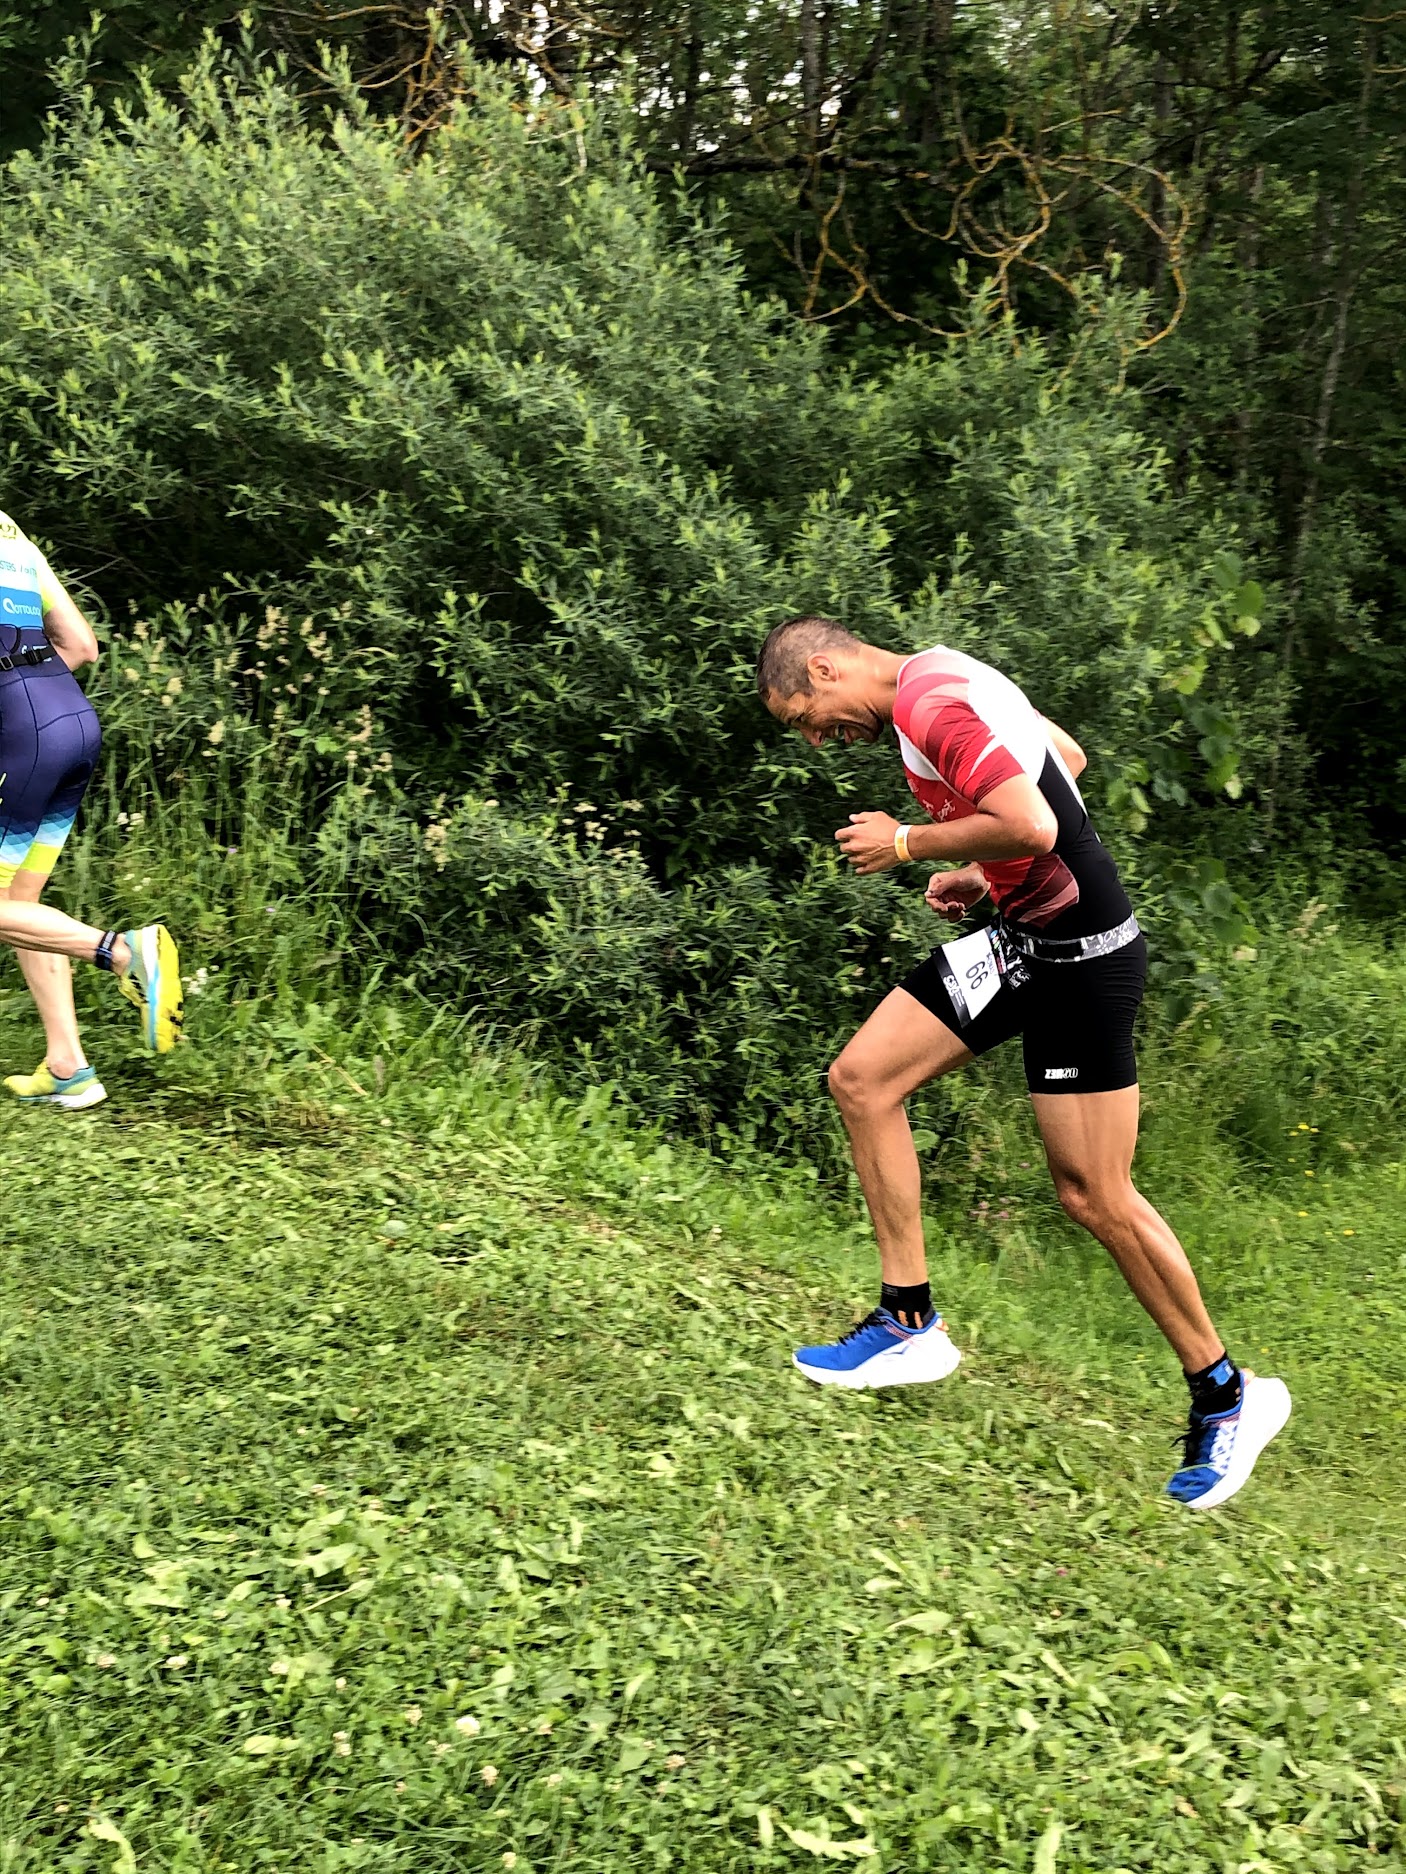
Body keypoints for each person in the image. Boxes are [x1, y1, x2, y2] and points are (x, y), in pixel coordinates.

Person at [756, 615, 1289, 1510]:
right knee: (862, 1080)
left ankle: (1230, 1395)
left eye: (806, 717)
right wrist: (983, 874)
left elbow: (1033, 821)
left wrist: (910, 844)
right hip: (1021, 944)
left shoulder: (932, 703)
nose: (817, 739)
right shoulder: (945, 676)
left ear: (823, 666)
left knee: (1094, 1196)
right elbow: (1065, 758)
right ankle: (909, 1323)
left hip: (1083, 961)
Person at [0, 508, 182, 1106]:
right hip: (72, 719)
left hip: (24, 736)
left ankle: (127, 953)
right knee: (18, 906)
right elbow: (82, 645)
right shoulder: (10, 533)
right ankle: (68, 1066)